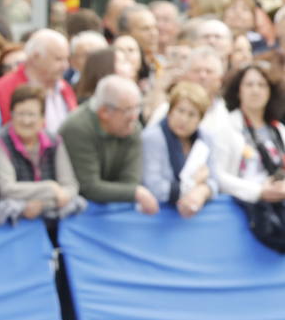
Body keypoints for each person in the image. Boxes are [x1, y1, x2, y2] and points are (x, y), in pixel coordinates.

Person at [57, 75, 158, 212]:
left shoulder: (132, 127)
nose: (134, 116)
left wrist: (132, 191)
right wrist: (136, 193)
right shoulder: (78, 128)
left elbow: (130, 181)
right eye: (128, 110)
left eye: (137, 108)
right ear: (104, 112)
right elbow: (89, 187)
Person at [0, 84, 82, 220]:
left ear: (42, 118)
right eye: (20, 114)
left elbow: (70, 184)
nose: (26, 121)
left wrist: (47, 202)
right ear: (11, 114)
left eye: (32, 115)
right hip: (16, 218)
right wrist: (50, 188)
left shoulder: (54, 140)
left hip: (53, 214)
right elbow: (6, 188)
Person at [141, 82, 219, 217]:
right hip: (157, 218)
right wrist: (193, 184)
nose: (183, 119)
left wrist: (202, 191)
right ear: (170, 111)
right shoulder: (152, 137)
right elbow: (154, 187)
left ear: (200, 119)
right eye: (180, 111)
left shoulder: (205, 139)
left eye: (191, 114)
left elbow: (214, 181)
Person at [220, 61, 285, 205]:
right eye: (249, 84)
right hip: (242, 210)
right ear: (238, 91)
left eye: (262, 85)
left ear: (270, 91)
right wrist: (258, 191)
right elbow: (218, 175)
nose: (255, 90)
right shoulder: (227, 126)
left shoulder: (279, 130)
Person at [0, 29, 76, 133]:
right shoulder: (4, 89)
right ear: (35, 57)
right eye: (58, 59)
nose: (65, 66)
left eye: (66, 59)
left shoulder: (64, 87)